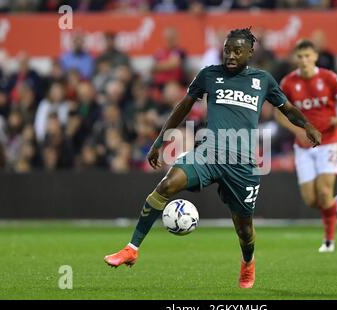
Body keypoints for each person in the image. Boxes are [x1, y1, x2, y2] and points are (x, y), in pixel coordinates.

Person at [104, 28, 321, 289]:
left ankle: (247, 262)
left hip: (243, 165)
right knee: (166, 185)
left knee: (245, 230)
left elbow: (286, 109)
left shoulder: (262, 80)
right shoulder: (209, 74)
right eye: (227, 50)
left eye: (237, 51)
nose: (230, 55)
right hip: (209, 153)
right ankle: (132, 248)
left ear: (250, 53)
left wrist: (307, 125)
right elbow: (183, 106)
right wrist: (160, 140)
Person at [274, 39, 337, 253]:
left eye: (308, 56)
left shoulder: (329, 78)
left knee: (324, 191)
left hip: (329, 141)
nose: (304, 60)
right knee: (311, 199)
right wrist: (298, 131)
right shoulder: (288, 83)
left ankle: (329, 242)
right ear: (295, 58)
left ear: (315, 56)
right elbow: (279, 113)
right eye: (300, 57)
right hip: (303, 146)